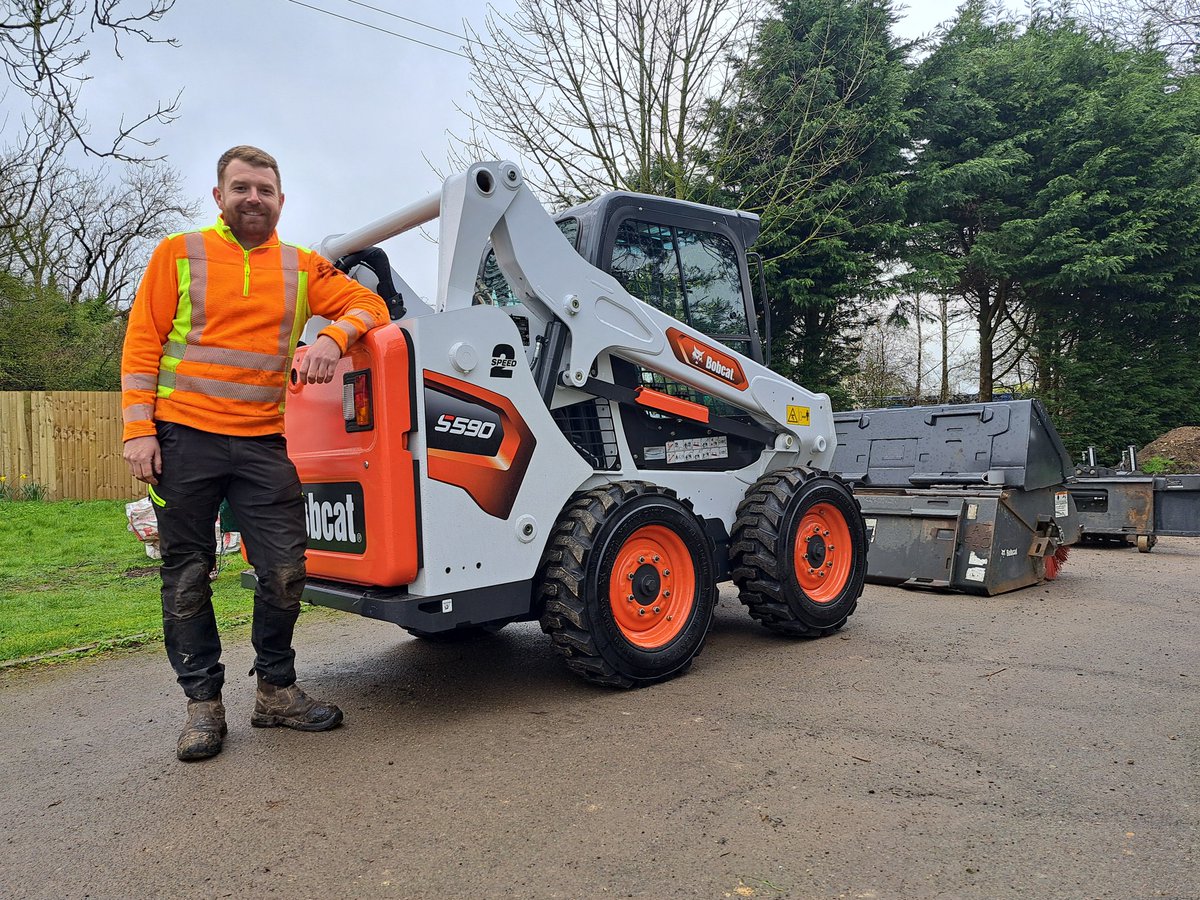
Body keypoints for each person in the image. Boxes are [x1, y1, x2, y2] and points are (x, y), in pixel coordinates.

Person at [121, 145, 391, 762]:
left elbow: (368, 305)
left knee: (285, 568)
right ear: (219, 196)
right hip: (181, 440)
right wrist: (137, 432)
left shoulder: (299, 268)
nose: (253, 198)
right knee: (188, 574)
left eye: (264, 190)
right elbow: (142, 345)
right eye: (241, 188)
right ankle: (203, 707)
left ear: (280, 200)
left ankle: (275, 690)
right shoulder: (178, 254)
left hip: (262, 443)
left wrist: (332, 335)